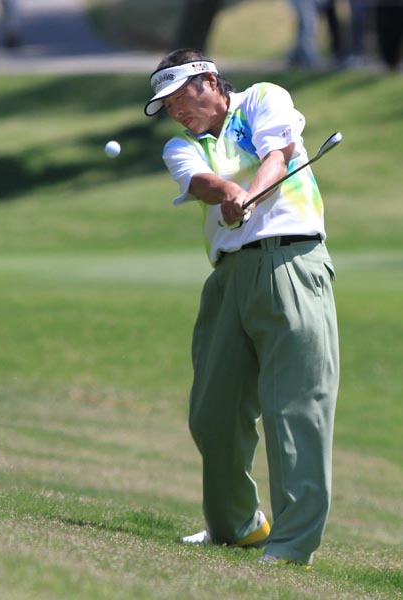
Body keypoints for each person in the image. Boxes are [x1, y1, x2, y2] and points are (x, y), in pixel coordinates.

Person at [144, 48, 340, 568]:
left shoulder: (262, 99)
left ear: (209, 81)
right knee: (214, 413)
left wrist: (250, 195)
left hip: (292, 261)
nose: (175, 112)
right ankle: (237, 526)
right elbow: (200, 183)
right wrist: (230, 191)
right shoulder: (182, 146)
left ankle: (292, 546)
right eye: (167, 107)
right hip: (229, 277)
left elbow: (279, 153)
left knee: (295, 408)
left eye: (179, 98)